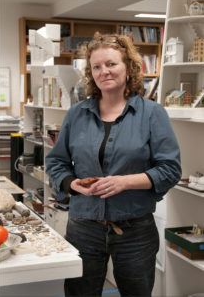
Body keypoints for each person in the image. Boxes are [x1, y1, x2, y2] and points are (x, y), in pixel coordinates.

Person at [45, 32, 182, 297]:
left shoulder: (152, 114)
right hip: (83, 226)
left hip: (135, 231)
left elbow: (170, 169)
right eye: (96, 66)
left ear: (128, 68)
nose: (103, 71)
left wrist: (125, 182)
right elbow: (57, 162)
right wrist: (71, 183)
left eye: (111, 64)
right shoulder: (77, 114)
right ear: (90, 73)